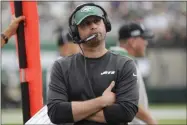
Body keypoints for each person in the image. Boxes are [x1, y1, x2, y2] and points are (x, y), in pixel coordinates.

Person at [47, 3, 139, 125]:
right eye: (86, 24)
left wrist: (76, 112)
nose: (93, 26)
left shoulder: (124, 64)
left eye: (97, 21)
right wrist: (102, 102)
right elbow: (56, 112)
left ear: (106, 25)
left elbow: (126, 112)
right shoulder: (61, 67)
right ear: (75, 32)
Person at [110, 22, 158, 125]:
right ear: (132, 41)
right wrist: (151, 121)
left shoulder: (119, 60)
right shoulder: (122, 62)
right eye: (143, 38)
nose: (146, 43)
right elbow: (126, 100)